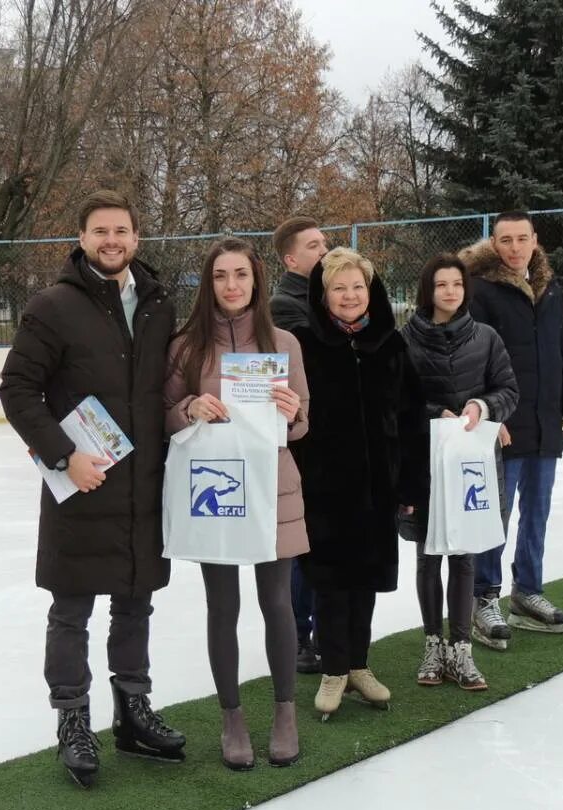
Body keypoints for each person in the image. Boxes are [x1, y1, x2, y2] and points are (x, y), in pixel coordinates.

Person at [0, 189, 186, 788]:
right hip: (84, 483)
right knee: (72, 608)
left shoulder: (158, 304)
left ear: (137, 238)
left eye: (122, 231)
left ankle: (133, 711)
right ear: (82, 238)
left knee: (136, 601)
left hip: (143, 487)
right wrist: (64, 456)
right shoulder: (53, 305)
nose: (112, 241)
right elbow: (18, 389)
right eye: (100, 231)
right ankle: (73, 721)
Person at [164, 237, 309, 769]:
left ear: (256, 280)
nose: (231, 285)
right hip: (215, 485)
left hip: (274, 486)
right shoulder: (186, 347)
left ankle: (285, 711)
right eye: (221, 275)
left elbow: (302, 423)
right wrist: (188, 407)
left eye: (241, 275)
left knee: (277, 602)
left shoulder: (285, 343)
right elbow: (164, 414)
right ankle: (232, 717)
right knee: (222, 606)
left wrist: (292, 412)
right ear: (209, 282)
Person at [288, 247, 425, 719]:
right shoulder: (303, 342)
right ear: (324, 294)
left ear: (371, 292)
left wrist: (409, 486)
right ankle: (333, 669)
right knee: (329, 581)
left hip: (378, 487)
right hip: (322, 487)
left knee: (365, 579)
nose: (349, 295)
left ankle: (360, 665)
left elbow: (410, 419)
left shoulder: (391, 344)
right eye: (339, 287)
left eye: (357, 287)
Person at [460, 212, 563, 645]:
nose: (514, 248)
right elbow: (474, 359)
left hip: (544, 422)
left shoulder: (549, 289)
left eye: (522, 239)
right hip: (504, 425)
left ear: (535, 241)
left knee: (538, 513)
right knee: (496, 515)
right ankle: (484, 596)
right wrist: (490, 417)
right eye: (505, 240)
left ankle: (528, 590)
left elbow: (562, 352)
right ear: (494, 244)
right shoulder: (481, 292)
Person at [399, 254, 518, 690]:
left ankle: (461, 649)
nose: (450, 292)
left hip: (471, 464)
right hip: (424, 463)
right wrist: (436, 414)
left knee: (465, 555)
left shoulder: (486, 338)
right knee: (428, 555)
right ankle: (433, 643)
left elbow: (508, 389)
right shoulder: (405, 341)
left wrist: (481, 408)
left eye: (456, 284)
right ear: (427, 291)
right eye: (441, 285)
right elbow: (395, 401)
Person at [269, 215, 329, 673]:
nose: (325, 250)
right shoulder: (285, 306)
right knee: (298, 545)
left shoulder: (318, 298)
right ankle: (298, 637)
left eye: (326, 243)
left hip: (326, 438)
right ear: (291, 258)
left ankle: (317, 632)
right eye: (314, 246)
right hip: (302, 441)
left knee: (318, 542)